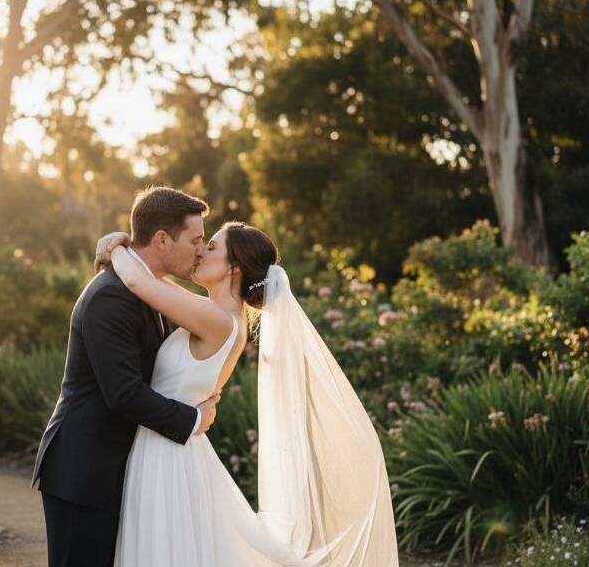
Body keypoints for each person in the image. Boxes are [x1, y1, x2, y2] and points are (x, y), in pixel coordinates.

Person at [94, 218, 400, 566]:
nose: (200, 251)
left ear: (234, 268)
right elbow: (150, 281)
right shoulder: (216, 314)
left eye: (211, 247)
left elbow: (136, 280)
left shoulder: (219, 321)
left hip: (166, 454)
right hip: (171, 446)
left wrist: (115, 247)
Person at [31, 186, 223, 567]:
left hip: (115, 469)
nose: (201, 250)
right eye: (196, 240)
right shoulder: (112, 295)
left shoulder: (147, 290)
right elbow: (122, 392)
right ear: (163, 240)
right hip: (83, 471)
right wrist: (194, 418)